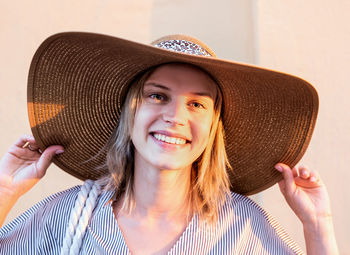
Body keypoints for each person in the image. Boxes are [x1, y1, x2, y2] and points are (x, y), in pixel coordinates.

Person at [0, 33, 338, 254]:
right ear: (129, 113)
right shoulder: (69, 216)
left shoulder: (243, 228)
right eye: (157, 96)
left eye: (196, 104)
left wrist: (318, 224)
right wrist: (4, 191)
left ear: (212, 127)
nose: (175, 117)